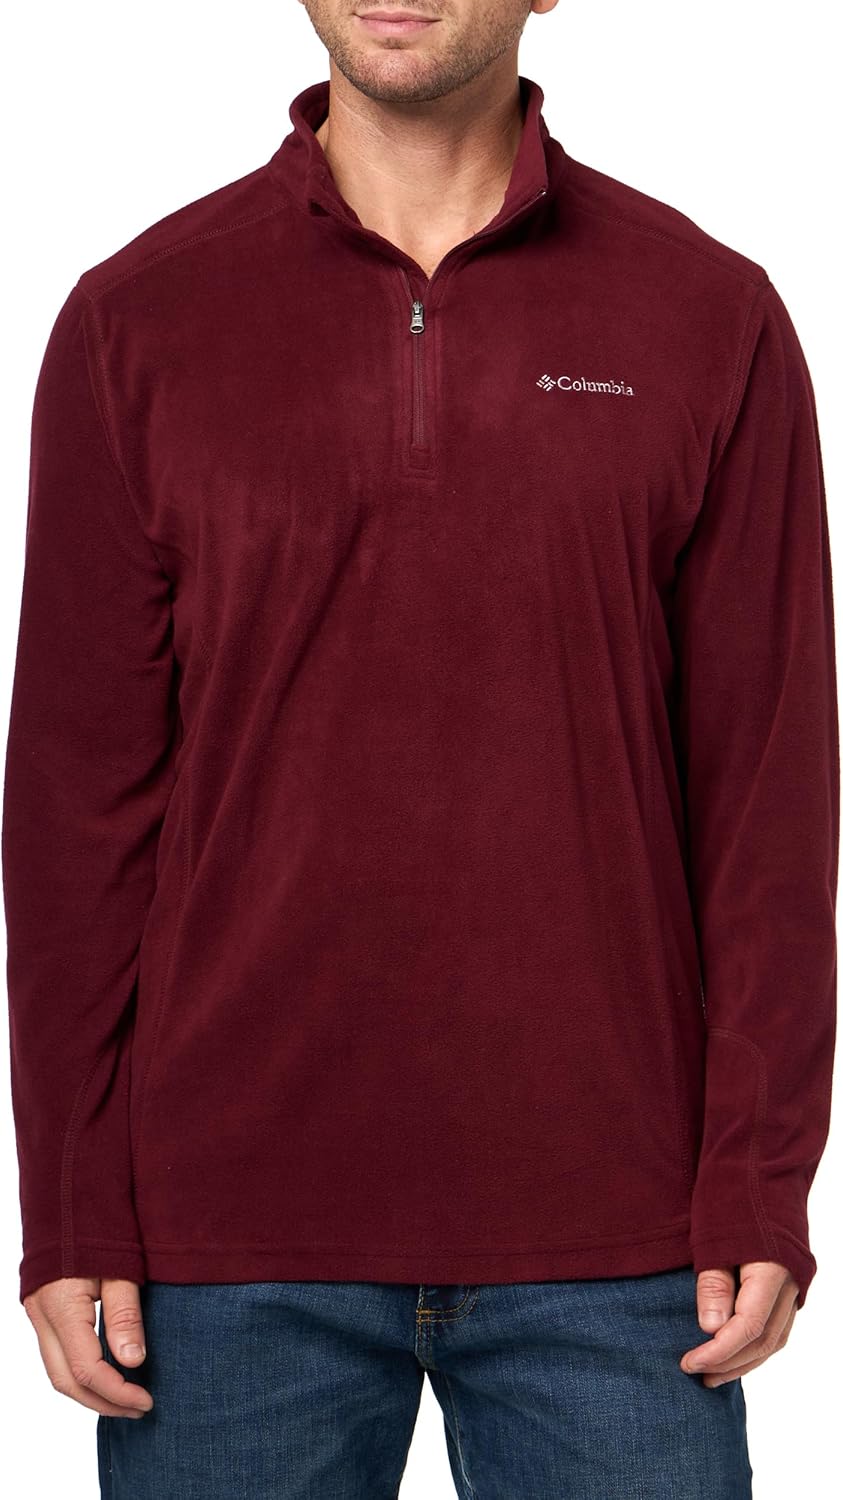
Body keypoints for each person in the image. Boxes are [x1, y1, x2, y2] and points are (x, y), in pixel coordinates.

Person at [2, 1, 838, 1495]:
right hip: (223, 1250)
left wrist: (760, 1177)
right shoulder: (139, 316)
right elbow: (75, 811)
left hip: (625, 1244)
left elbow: (768, 798)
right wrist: (69, 1204)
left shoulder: (708, 312)